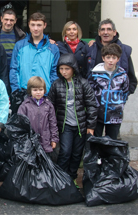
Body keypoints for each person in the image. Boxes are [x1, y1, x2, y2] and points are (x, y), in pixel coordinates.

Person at [48, 53, 97, 187]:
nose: (64, 72)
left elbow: (92, 104)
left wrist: (91, 126)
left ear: (74, 68)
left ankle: (72, 177)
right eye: (61, 69)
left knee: (77, 154)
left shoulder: (83, 83)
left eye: (67, 68)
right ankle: (61, 178)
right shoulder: (56, 84)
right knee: (64, 152)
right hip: (65, 126)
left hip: (81, 126)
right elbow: (50, 106)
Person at [10, 12, 60, 94]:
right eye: (33, 25)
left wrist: (51, 90)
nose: (35, 28)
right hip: (24, 93)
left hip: (45, 94)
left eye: (39, 25)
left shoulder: (53, 48)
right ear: (29, 25)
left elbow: (55, 72)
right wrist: (16, 90)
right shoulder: (19, 46)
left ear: (45, 25)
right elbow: (14, 69)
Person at [88, 43, 129, 140]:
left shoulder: (123, 75)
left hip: (115, 114)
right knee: (95, 141)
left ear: (118, 59)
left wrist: (119, 105)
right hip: (97, 113)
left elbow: (125, 92)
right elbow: (89, 91)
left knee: (112, 141)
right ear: (103, 58)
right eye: (108, 57)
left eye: (114, 58)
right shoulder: (95, 73)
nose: (111, 60)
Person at [86, 18, 137, 94]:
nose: (105, 32)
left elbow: (131, 77)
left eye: (109, 29)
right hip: (94, 99)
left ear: (114, 32)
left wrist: (124, 95)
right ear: (99, 32)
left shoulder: (124, 50)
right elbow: (84, 72)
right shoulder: (91, 49)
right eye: (103, 29)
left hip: (115, 100)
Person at [17, 76, 59, 159]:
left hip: (45, 140)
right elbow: (20, 125)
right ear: (30, 91)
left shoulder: (48, 105)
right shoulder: (25, 106)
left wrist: (54, 139)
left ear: (44, 90)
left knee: (44, 163)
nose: (38, 92)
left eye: (40, 89)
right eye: (35, 90)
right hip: (30, 142)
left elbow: (53, 123)